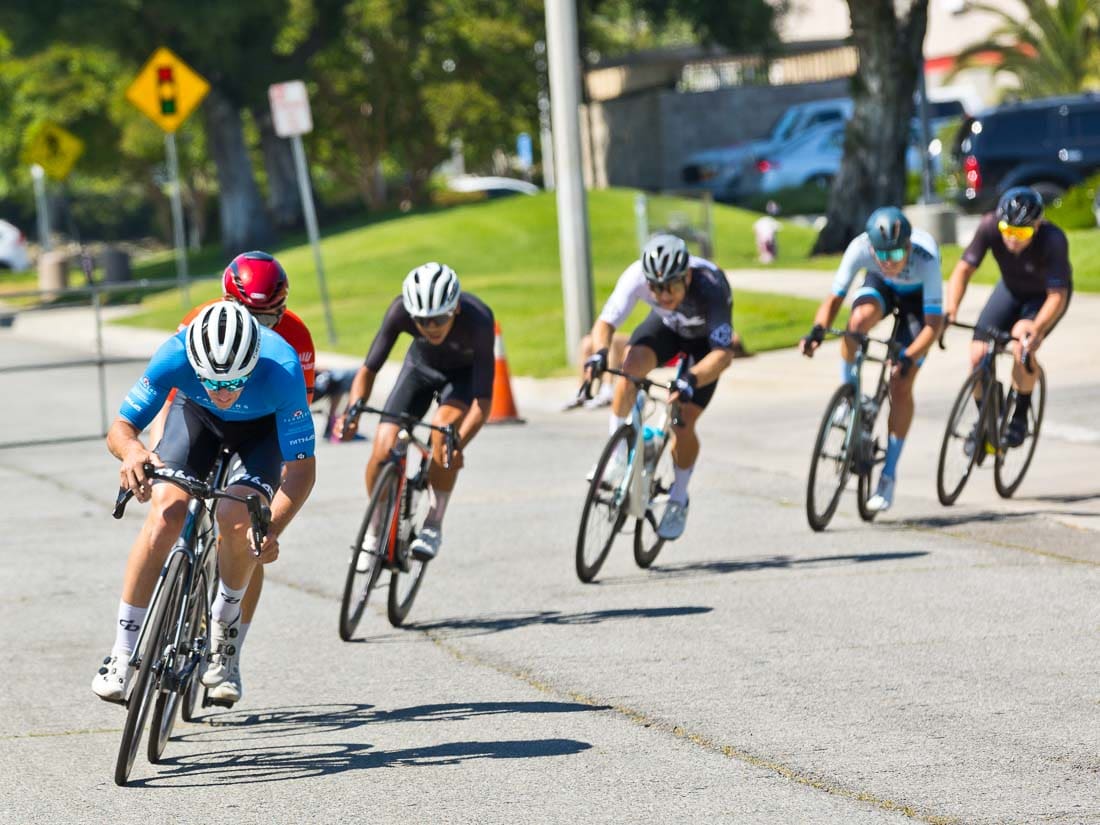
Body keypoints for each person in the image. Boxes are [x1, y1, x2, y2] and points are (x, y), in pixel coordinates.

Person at [92, 301, 316, 704]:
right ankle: (122, 653)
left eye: (234, 382)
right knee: (165, 515)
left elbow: (301, 472)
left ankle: (224, 641)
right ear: (193, 362)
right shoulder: (174, 355)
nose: (222, 392)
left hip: (259, 433)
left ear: (253, 363)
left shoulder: (282, 367)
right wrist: (132, 453)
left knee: (237, 521)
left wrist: (272, 529)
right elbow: (122, 428)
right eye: (212, 381)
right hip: (196, 419)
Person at [335, 262, 494, 562]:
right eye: (422, 321)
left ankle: (433, 523)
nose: (431, 327)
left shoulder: (480, 321)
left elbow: (483, 403)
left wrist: (459, 441)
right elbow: (369, 369)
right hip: (419, 370)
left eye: (439, 318)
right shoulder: (399, 311)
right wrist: (353, 409)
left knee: (443, 436)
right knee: (383, 446)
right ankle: (375, 527)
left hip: (460, 380)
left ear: (456, 308)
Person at [582, 233, 736, 541]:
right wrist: (599, 353)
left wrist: (691, 379)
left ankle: (678, 498)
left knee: (683, 422)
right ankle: (617, 459)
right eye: (655, 288)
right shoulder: (635, 276)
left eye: (671, 287)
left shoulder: (711, 285)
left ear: (687, 276)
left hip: (705, 346)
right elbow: (606, 324)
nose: (663, 295)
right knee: (628, 370)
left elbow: (724, 354)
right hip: (667, 329)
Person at [799, 207, 943, 513]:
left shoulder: (926, 259)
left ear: (908, 247)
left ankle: (888, 475)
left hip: (918, 304)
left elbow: (933, 326)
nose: (889, 262)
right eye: (882, 255)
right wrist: (816, 331)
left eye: (896, 255)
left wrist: (908, 356)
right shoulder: (860, 248)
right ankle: (850, 398)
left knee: (900, 384)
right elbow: (834, 298)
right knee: (856, 324)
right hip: (881, 288)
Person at [944, 186, 1071, 447]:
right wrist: (951, 308)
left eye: (1021, 233)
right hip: (1010, 290)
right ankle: (988, 420)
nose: (1012, 239)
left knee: (1021, 343)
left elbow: (1057, 295)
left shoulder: (1053, 240)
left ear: (1037, 226)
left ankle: (1020, 416)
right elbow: (963, 269)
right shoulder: (989, 225)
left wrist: (1037, 327)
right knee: (977, 354)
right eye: (1007, 231)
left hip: (1043, 299)